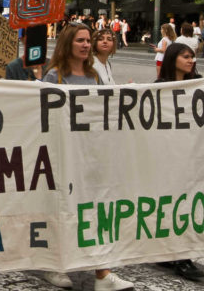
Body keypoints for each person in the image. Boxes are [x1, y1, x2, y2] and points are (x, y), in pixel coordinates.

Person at [40, 23, 134, 291]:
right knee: (63, 208)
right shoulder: (55, 77)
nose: (85, 45)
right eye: (80, 41)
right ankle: (54, 265)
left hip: (90, 154)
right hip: (63, 154)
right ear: (67, 44)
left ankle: (102, 273)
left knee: (92, 210)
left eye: (86, 41)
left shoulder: (93, 76)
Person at [152, 42, 204, 282]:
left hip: (189, 153)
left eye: (192, 57)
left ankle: (180, 254)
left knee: (186, 202)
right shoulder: (159, 88)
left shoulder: (199, 84)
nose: (191, 61)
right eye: (186, 57)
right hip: (166, 155)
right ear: (173, 59)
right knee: (170, 203)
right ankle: (175, 254)